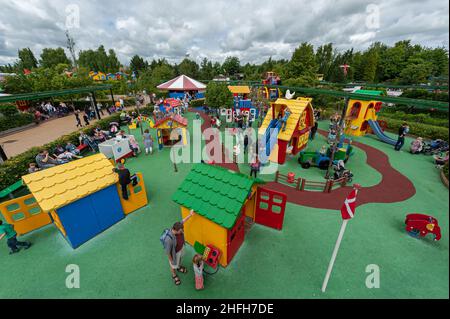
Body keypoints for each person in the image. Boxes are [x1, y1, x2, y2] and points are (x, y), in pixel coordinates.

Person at [162, 210, 194, 286]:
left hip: (180, 248)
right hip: (174, 254)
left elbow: (183, 221)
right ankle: (174, 274)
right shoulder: (168, 240)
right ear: (176, 230)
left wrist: (190, 215)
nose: (182, 231)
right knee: (173, 265)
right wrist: (172, 260)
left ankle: (178, 267)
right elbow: (167, 252)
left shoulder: (177, 227)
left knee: (179, 260)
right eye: (181, 231)